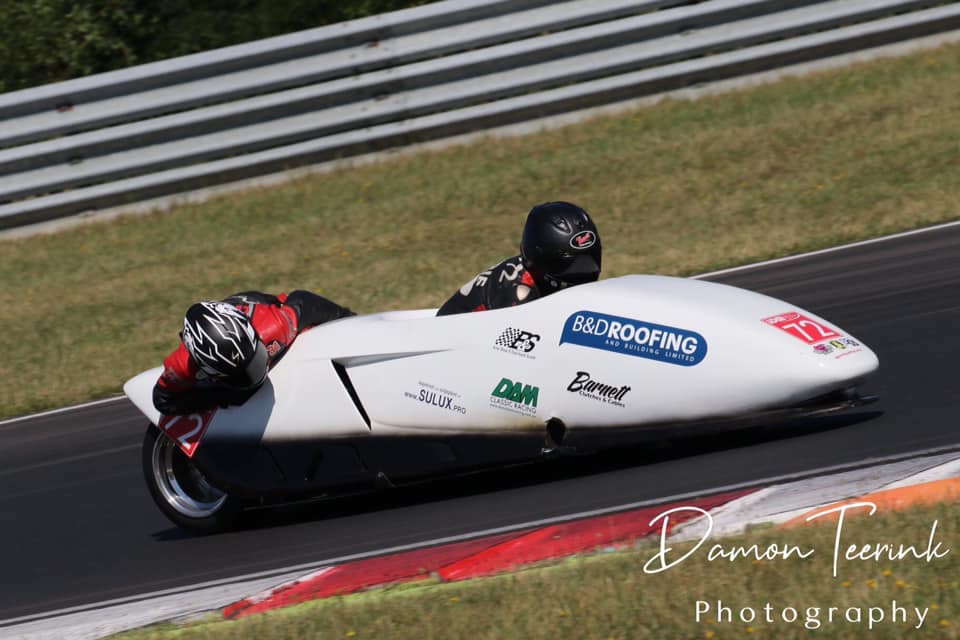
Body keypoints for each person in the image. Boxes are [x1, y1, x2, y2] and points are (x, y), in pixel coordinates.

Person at [153, 290, 354, 415]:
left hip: (260, 305)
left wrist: (350, 320)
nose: (252, 372)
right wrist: (219, 397)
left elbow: (306, 302)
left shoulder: (276, 324)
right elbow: (163, 400)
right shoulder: (181, 367)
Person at [436, 201, 601, 316]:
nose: (583, 271)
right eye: (569, 265)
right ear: (540, 260)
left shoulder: (542, 283)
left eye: (589, 260)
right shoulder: (518, 296)